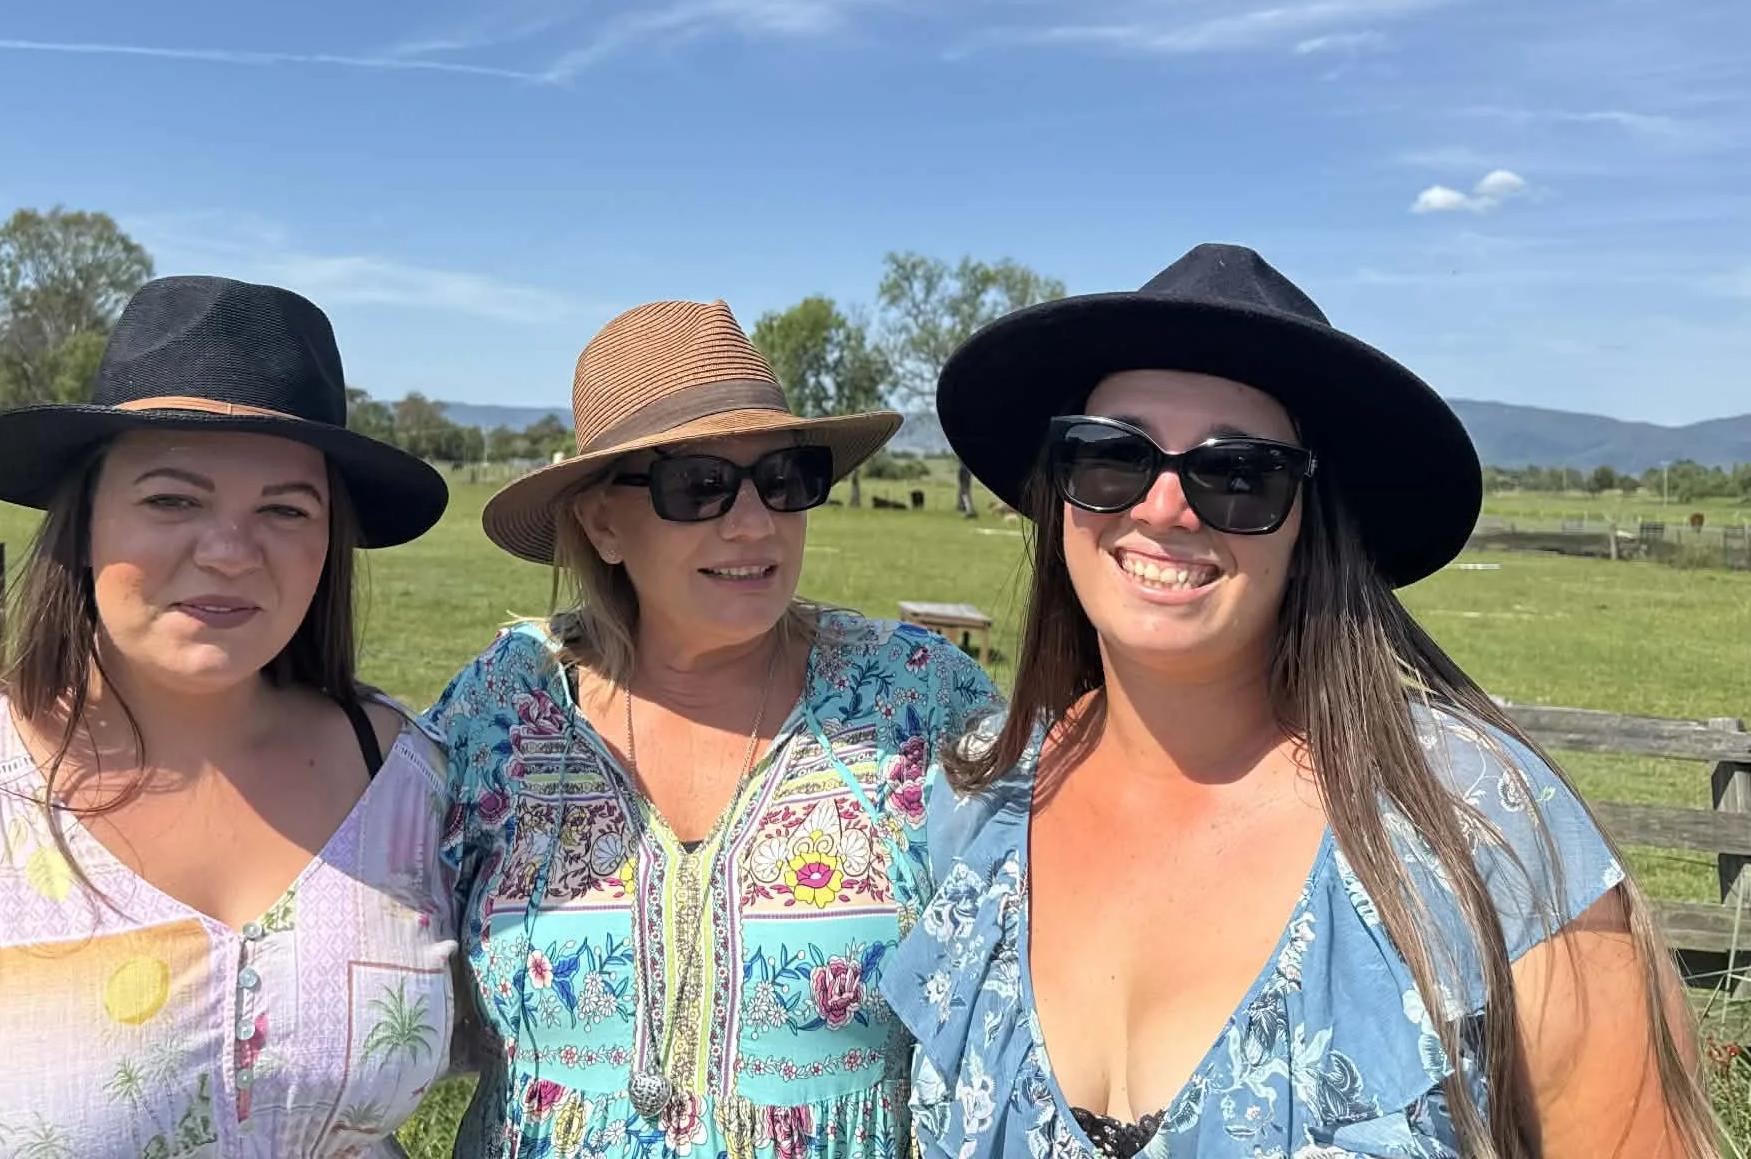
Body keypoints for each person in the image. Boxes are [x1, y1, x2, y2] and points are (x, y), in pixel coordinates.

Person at [885, 244, 1720, 1159]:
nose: (1165, 507)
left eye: (1239, 474)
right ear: (1059, 495)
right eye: (1109, 456)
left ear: (1311, 526)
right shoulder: (980, 802)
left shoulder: (1479, 835)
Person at [0, 275, 459, 1156]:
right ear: (85, 518)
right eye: (172, 499)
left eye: (286, 509)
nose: (228, 552)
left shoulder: (406, 783)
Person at [427, 300, 1002, 1159]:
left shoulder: (915, 699)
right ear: (601, 522)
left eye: (786, 478)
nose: (755, 522)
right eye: (698, 484)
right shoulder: (504, 705)